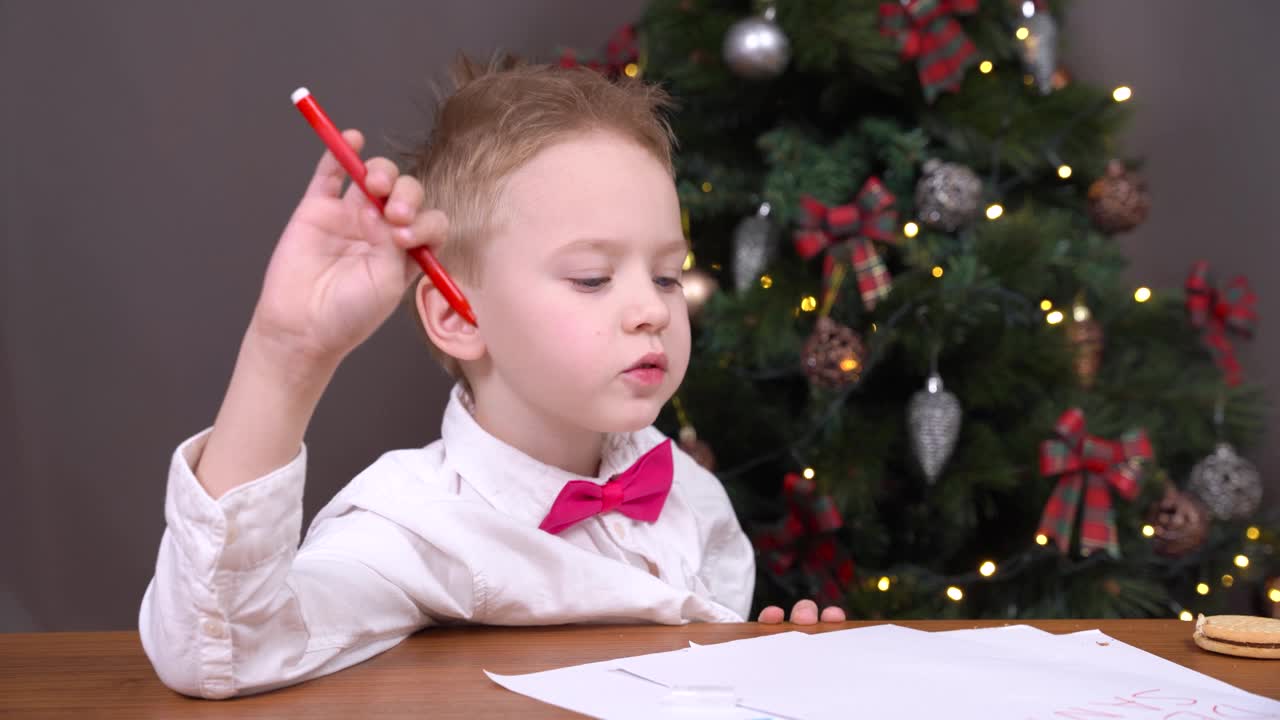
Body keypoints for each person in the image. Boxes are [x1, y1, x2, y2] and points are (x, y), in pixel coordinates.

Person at [140, 56, 844, 700]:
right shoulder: (416, 523)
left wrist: (770, 661)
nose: (650, 310)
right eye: (593, 277)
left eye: (666, 274)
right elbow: (223, 651)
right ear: (457, 315)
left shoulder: (689, 494)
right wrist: (286, 355)